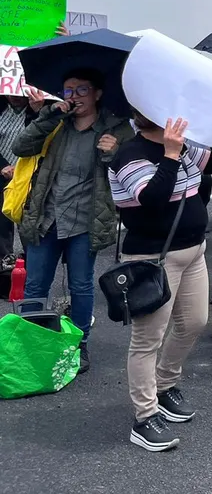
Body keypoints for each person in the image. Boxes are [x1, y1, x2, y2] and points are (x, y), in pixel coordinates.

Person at [108, 114, 212, 452]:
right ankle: (145, 416)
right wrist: (169, 154)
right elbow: (152, 200)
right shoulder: (129, 154)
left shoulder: (182, 144)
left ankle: (164, 385)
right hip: (152, 259)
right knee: (147, 339)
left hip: (194, 251)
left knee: (194, 322)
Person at [13, 72, 134, 371]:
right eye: (68, 90)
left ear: (97, 94)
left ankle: (79, 344)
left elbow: (129, 170)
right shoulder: (57, 123)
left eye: (82, 90)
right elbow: (21, 147)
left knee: (81, 286)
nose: (74, 96)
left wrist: (114, 153)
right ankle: (31, 343)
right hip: (46, 218)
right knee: (35, 285)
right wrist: (47, 116)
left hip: (85, 222)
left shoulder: (117, 129)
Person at [0, 94, 37, 260]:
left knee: (27, 220)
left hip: (29, 173)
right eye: (10, 93)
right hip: (3, 172)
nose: (14, 97)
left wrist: (38, 110)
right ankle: (4, 260)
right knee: (2, 221)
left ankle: (31, 259)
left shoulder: (37, 111)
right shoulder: (2, 109)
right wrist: (2, 166)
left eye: (19, 93)